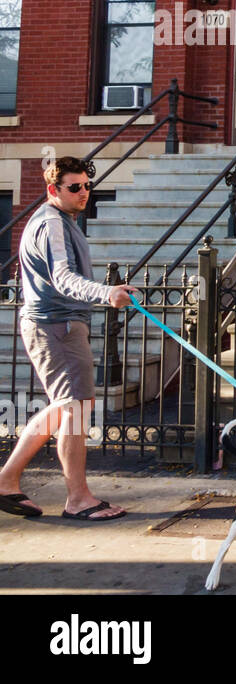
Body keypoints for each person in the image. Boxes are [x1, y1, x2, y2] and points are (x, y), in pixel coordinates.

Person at [0, 156, 137, 520]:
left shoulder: (61, 221)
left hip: (57, 324)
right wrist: (105, 293)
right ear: (52, 190)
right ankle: (75, 499)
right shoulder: (52, 224)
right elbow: (62, 278)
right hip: (55, 326)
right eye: (74, 187)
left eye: (86, 186)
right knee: (73, 406)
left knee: (71, 408)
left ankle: (11, 480)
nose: (83, 193)